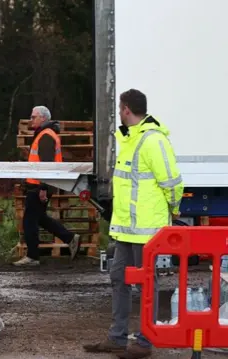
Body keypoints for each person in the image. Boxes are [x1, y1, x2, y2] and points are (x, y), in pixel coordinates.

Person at [83, 89, 183, 359]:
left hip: (147, 231)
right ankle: (117, 338)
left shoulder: (152, 141)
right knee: (119, 279)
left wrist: (173, 211)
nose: (119, 112)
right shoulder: (131, 139)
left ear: (126, 109)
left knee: (146, 285)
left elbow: (172, 182)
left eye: (119, 108)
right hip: (127, 229)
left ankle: (144, 341)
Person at [12, 105, 81, 266]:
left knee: (29, 221)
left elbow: (47, 165)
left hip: (38, 187)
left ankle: (32, 257)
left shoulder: (46, 136)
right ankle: (70, 238)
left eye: (33, 117)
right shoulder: (45, 134)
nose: (31, 120)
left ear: (43, 118)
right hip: (38, 185)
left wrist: (43, 188)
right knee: (40, 218)